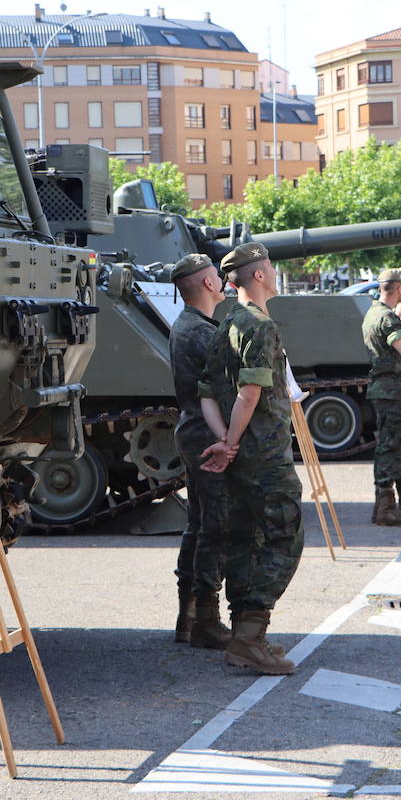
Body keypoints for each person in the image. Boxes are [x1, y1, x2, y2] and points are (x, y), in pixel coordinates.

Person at [197, 242, 303, 674]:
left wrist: (224, 441)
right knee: (285, 537)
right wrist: (234, 441)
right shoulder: (260, 326)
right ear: (258, 275)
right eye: (270, 268)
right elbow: (250, 393)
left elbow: (206, 393)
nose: (275, 273)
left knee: (246, 540)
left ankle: (245, 633)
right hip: (266, 456)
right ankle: (249, 635)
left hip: (242, 455)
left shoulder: (227, 324)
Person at [166, 253, 232, 650]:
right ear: (208, 284)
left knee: (199, 525)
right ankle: (206, 618)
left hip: (195, 432)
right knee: (216, 527)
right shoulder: (203, 333)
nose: (222, 281)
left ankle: (188, 617)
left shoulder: (191, 325)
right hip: (208, 435)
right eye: (217, 277)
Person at [360, 268, 401, 526]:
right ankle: (385, 508)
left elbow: (394, 348)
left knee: (392, 445)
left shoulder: (373, 313)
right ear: (399, 288)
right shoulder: (386, 317)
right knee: (391, 447)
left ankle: (386, 505)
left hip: (387, 389)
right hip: (392, 391)